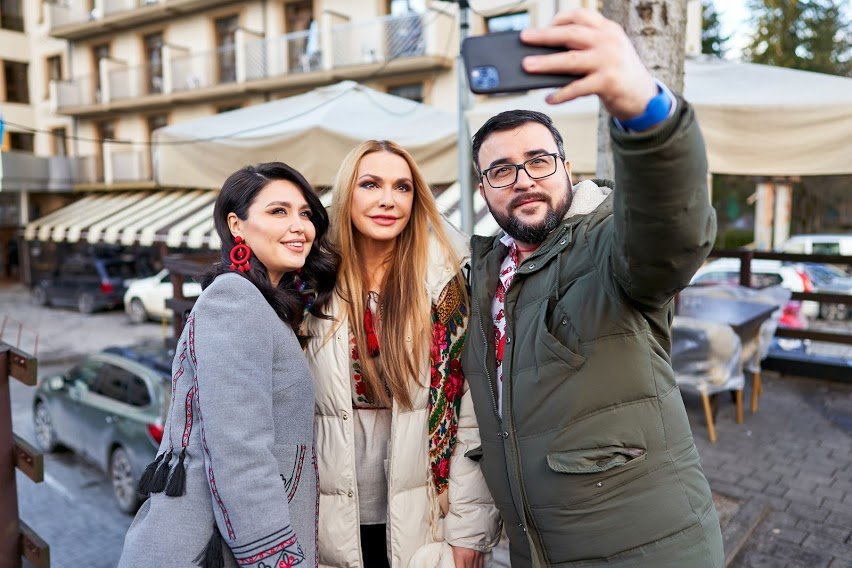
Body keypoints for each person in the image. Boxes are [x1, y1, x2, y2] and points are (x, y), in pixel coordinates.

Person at [461, 8, 724, 568]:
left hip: (648, 549)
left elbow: (668, 236)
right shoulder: (482, 273)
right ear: (483, 189)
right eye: (501, 170)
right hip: (536, 550)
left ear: (567, 166)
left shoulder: (607, 238)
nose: (524, 178)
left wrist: (647, 117)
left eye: (538, 160)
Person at [119, 162, 338, 568]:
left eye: (305, 213)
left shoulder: (263, 303)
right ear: (237, 226)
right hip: (221, 546)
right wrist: (276, 560)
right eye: (278, 211)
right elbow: (239, 450)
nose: (299, 226)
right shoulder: (234, 300)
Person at [305, 140, 501, 568]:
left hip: (428, 518)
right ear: (346, 194)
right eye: (371, 184)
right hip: (323, 521)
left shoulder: (447, 280)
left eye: (403, 187)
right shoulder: (310, 282)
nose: (388, 200)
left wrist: (471, 529)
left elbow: (472, 415)